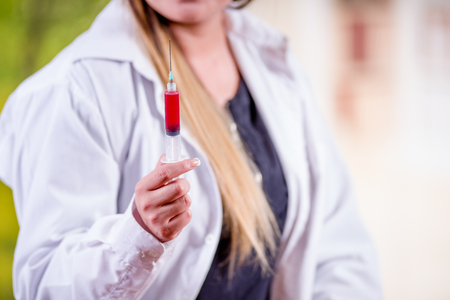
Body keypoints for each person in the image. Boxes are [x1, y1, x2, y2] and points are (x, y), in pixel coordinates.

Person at [0, 0, 382, 299]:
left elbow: (337, 248)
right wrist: (135, 236)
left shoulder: (276, 67)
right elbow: (45, 286)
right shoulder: (73, 91)